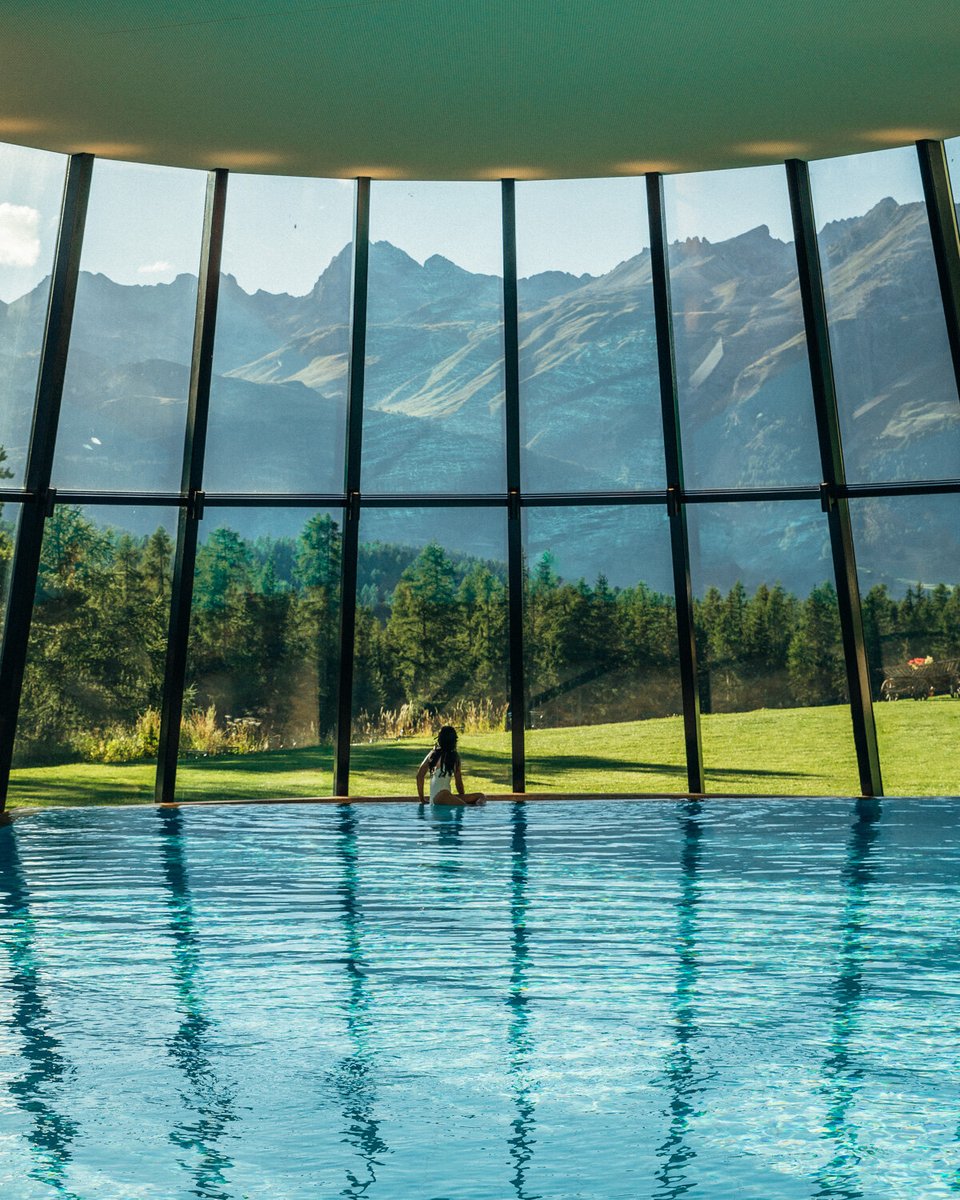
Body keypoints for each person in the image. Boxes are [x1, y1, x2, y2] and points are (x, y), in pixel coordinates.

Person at [416, 725, 485, 805]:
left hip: (445, 796)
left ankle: (474, 807)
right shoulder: (439, 755)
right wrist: (422, 800)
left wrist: (422, 799)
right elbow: (458, 783)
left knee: (481, 796)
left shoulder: (437, 755)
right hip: (441, 796)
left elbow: (419, 776)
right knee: (463, 805)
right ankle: (473, 809)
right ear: (454, 741)